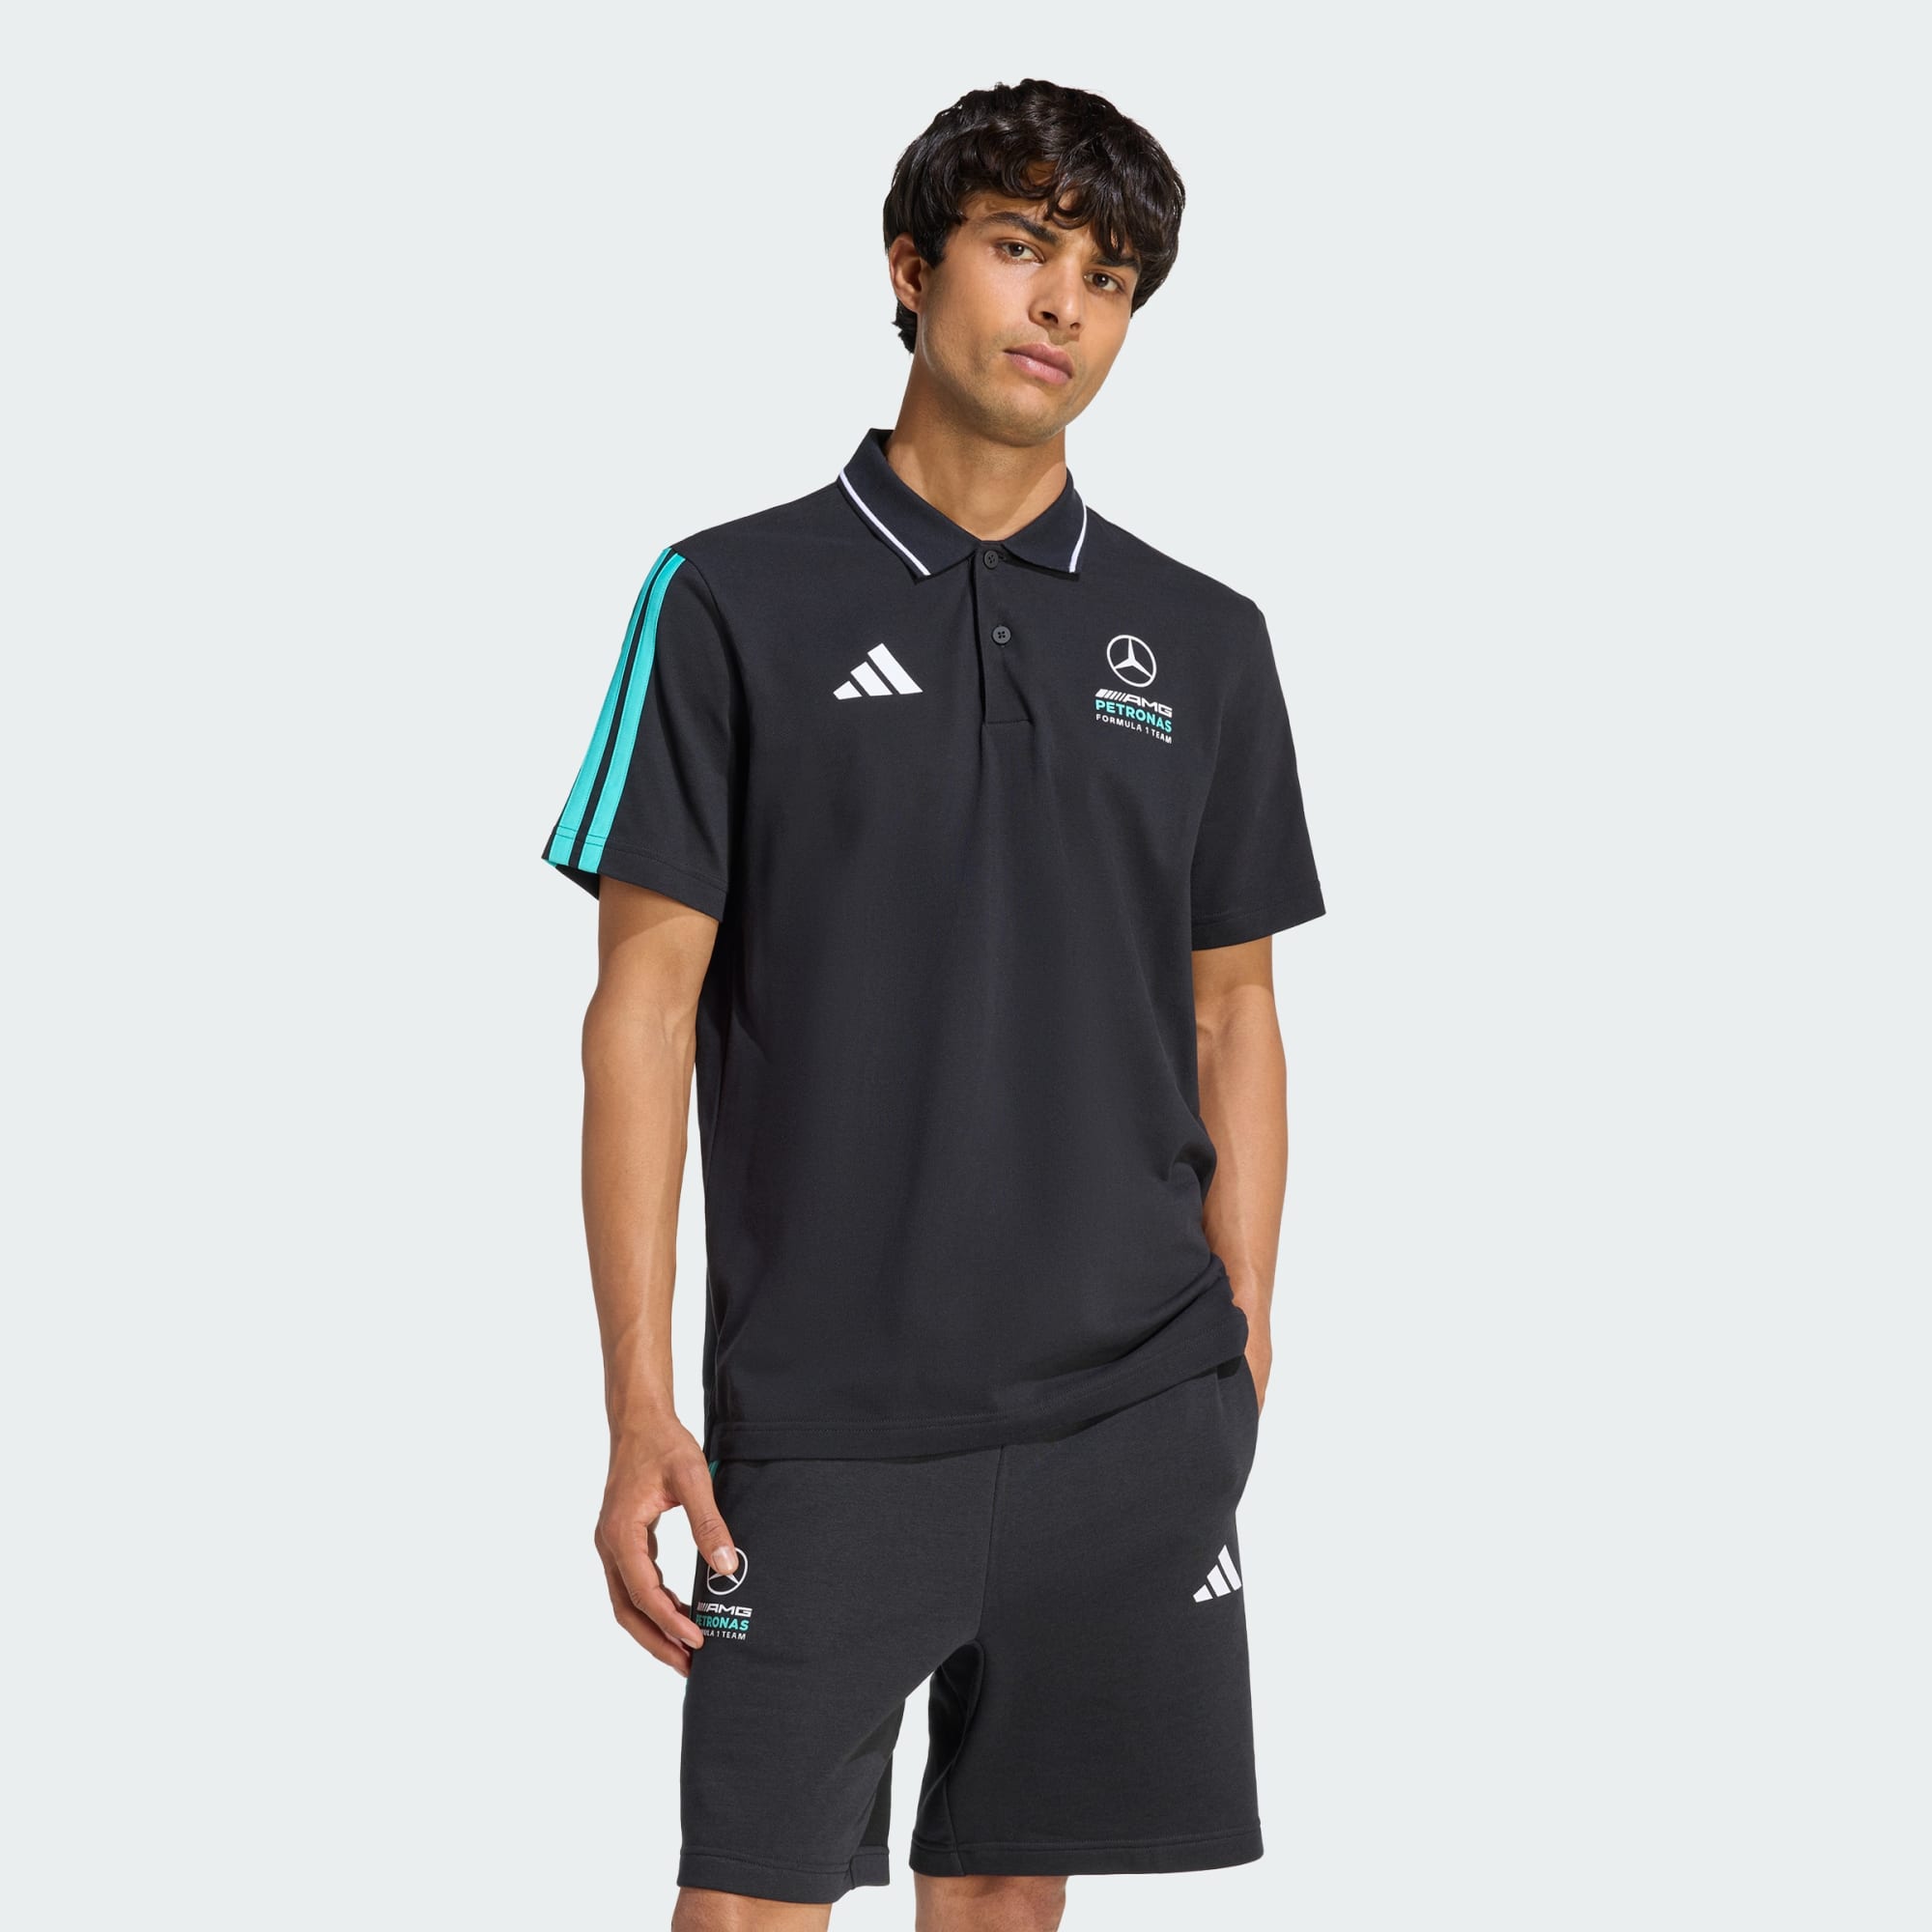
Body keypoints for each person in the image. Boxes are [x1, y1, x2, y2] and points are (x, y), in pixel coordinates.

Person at [542, 76, 1324, 1932]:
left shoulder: (1205, 640)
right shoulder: (728, 597)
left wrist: (1240, 1343)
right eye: (1021, 248)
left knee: (1003, 1894)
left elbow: (1236, 1013)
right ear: (912, 267)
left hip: (1133, 1407)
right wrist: (638, 1396)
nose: (1063, 306)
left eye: (1108, 280)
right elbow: (639, 1014)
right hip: (822, 1420)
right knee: (745, 1900)